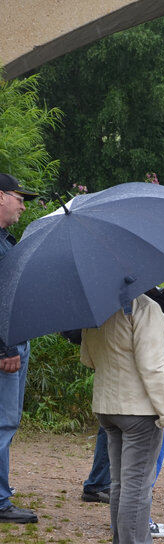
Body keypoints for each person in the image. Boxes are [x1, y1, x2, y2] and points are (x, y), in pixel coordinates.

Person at [81, 291, 164, 544]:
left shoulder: (97, 307)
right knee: (137, 488)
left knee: (119, 485)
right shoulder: (145, 307)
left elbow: (88, 358)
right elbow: (153, 368)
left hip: (107, 406)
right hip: (139, 410)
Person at [0, 174, 39, 524]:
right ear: (0, 197)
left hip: (10, 344)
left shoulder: (4, 240)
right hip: (5, 349)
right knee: (3, 422)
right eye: (18, 198)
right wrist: (6, 348)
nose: (23, 205)